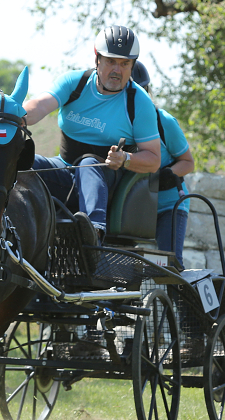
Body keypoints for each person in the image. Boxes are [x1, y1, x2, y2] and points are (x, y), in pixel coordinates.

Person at [22, 25, 161, 249]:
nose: (117, 70)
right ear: (97, 58)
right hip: (64, 171)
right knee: (24, 161)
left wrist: (125, 158)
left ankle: (92, 240)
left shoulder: (140, 103)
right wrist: (13, 117)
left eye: (125, 64)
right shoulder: (75, 83)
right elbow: (38, 107)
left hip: (107, 183)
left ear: (133, 64)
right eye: (111, 61)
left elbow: (154, 159)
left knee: (89, 164)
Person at [130, 61, 195, 268]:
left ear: (146, 91)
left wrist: (167, 174)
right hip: (135, 207)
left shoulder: (164, 122)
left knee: (170, 264)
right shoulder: (117, 124)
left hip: (169, 205)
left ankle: (178, 299)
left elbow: (188, 162)